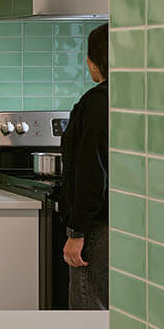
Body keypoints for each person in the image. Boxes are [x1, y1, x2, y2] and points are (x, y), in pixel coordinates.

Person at [59, 23, 109, 310]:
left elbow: (92, 170)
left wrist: (76, 233)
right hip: (125, 222)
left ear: (96, 61)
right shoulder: (140, 97)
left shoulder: (97, 104)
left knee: (90, 312)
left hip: (97, 228)